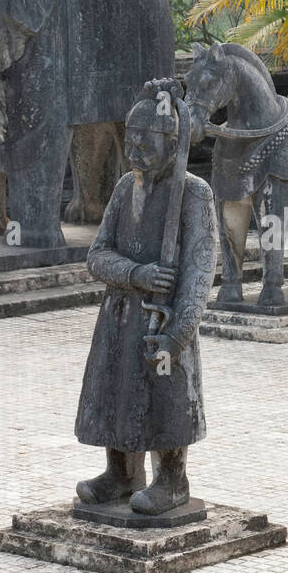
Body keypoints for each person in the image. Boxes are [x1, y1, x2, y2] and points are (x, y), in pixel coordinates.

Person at [74, 79, 218, 514]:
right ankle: (120, 473)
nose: (134, 149)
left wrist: (179, 332)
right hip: (119, 315)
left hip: (165, 320)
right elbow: (96, 256)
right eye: (131, 138)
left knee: (166, 398)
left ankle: (172, 480)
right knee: (114, 392)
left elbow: (200, 271)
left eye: (146, 140)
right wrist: (137, 273)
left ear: (172, 142)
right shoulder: (124, 188)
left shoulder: (194, 194)